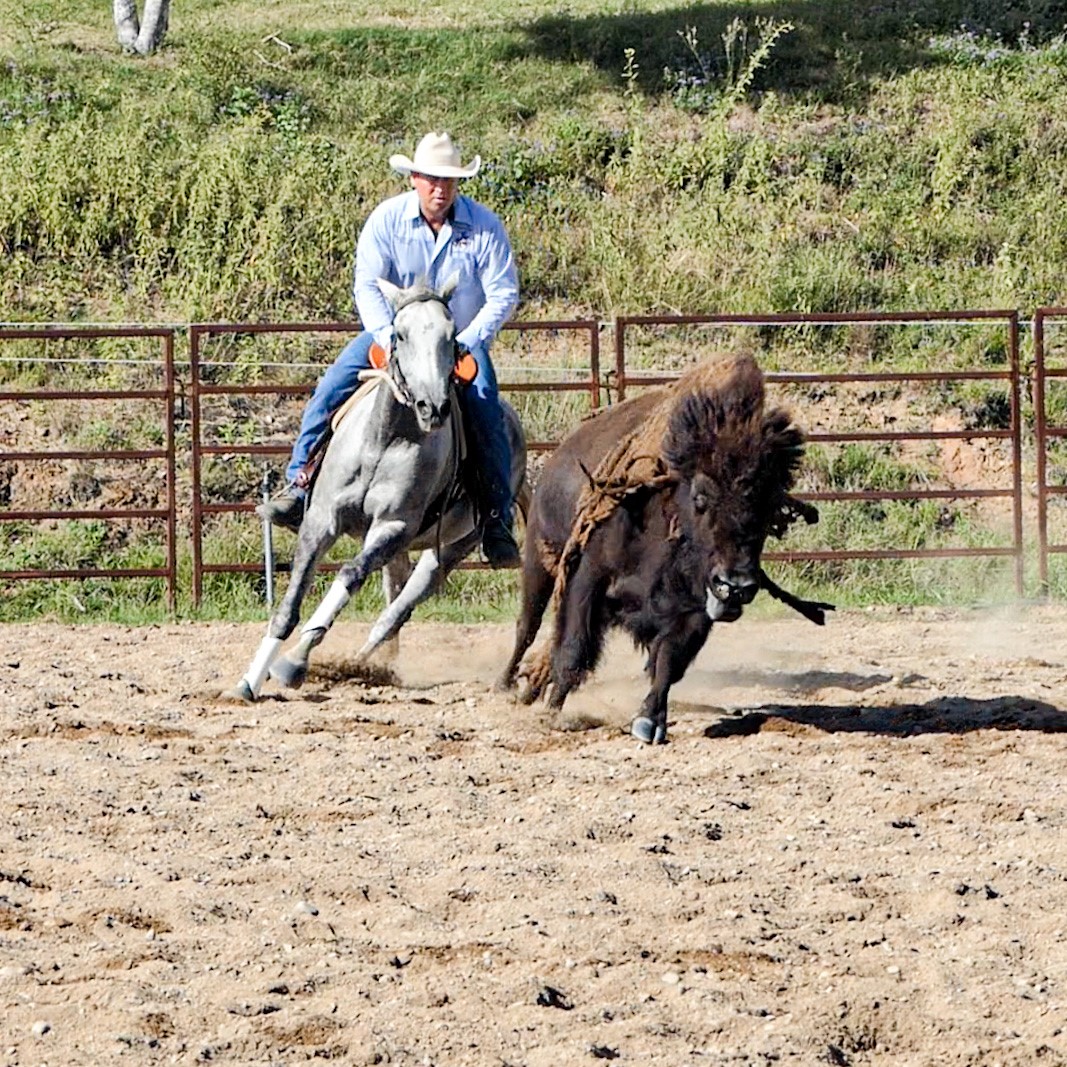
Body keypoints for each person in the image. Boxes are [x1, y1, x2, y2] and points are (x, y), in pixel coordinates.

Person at [258, 130, 522, 568]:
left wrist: (467, 341)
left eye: (448, 180)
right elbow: (366, 284)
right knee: (330, 390)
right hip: (395, 337)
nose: (440, 188)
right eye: (431, 179)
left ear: (457, 183)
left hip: (456, 341)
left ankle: (496, 519)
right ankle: (300, 486)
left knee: (485, 410)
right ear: (414, 179)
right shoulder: (387, 220)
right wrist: (385, 336)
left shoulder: (484, 226)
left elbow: (503, 292)